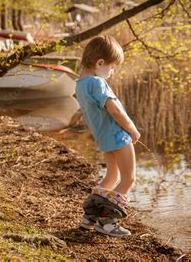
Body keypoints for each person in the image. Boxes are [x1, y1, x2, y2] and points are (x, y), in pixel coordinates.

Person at [74, 35, 141, 237]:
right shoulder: (97, 83)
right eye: (111, 68)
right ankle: (107, 220)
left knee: (112, 177)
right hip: (118, 136)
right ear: (100, 63)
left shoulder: (81, 84)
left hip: (103, 137)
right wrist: (132, 129)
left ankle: (90, 216)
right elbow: (115, 111)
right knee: (129, 178)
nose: (112, 72)